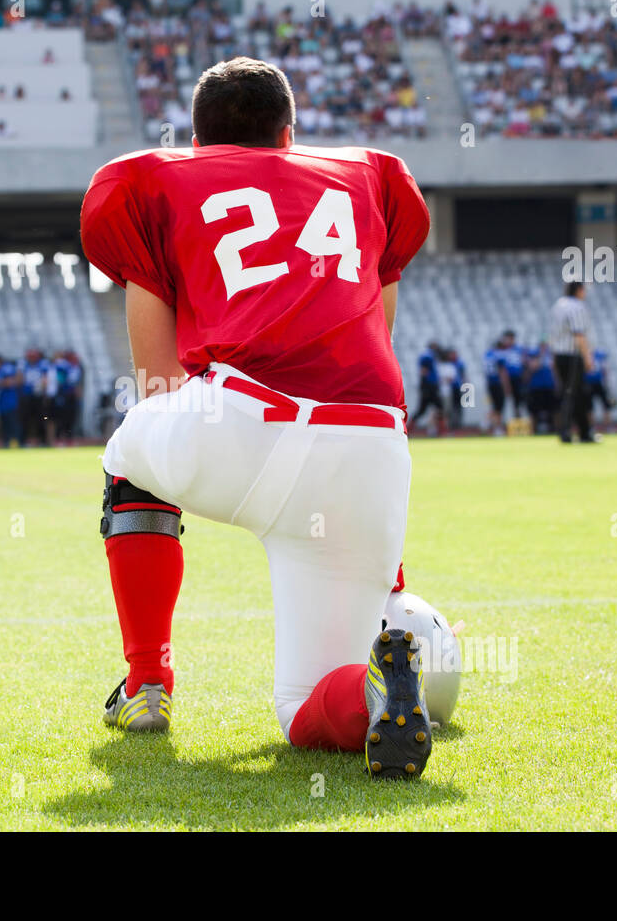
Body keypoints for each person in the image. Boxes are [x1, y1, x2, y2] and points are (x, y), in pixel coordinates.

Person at [80, 56, 432, 777]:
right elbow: (376, 356)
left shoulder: (156, 180)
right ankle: (372, 689)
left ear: (200, 138)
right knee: (306, 711)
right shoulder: (369, 176)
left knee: (128, 454)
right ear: (290, 132)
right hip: (369, 450)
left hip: (245, 417)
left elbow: (159, 384)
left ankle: (148, 681)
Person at [548, 281, 596, 443]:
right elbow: (579, 334)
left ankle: (581, 431)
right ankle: (569, 432)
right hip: (573, 355)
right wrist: (588, 357)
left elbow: (553, 334)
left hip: (559, 353)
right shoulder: (576, 306)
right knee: (573, 394)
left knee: (571, 393)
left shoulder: (558, 305)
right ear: (578, 290)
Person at [19, 347, 51, 446]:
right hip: (27, 396)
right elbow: (19, 379)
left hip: (38, 396)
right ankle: (23, 441)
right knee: (25, 420)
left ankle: (42, 441)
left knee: (41, 419)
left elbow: (46, 380)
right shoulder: (24, 365)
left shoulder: (42, 365)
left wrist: (41, 385)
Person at [412, 340, 445, 436]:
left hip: (429, 386)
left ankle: (440, 431)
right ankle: (442, 431)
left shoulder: (428, 355)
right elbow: (423, 371)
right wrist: (428, 385)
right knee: (438, 407)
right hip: (429, 387)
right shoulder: (428, 355)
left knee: (423, 410)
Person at [0, 353, 22, 447]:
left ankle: (17, 443)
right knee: (4, 425)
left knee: (13, 423)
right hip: (1, 402)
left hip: (10, 401)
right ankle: (6, 443)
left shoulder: (7, 368)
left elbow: (10, 382)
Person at [525, 341, 558, 434]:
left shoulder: (550, 356)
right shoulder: (535, 355)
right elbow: (533, 367)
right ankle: (532, 431)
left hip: (549, 386)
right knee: (534, 411)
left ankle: (556, 429)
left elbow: (554, 370)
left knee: (553, 409)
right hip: (536, 387)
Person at [584, 348, 615, 432]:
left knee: (606, 405)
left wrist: (607, 382)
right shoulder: (583, 355)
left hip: (599, 383)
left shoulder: (600, 355)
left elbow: (605, 369)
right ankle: (591, 427)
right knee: (589, 407)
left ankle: (608, 426)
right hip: (587, 383)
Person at [483, 338, 510, 435]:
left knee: (495, 407)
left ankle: (488, 423)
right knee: (499, 408)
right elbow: (502, 372)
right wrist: (506, 386)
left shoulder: (487, 355)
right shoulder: (499, 355)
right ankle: (497, 428)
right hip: (498, 383)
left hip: (490, 384)